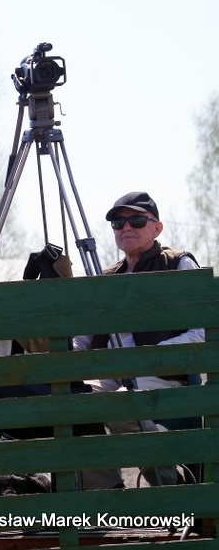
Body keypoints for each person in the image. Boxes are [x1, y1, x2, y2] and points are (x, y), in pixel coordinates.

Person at [72, 191, 203, 488]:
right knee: (76, 401)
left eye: (137, 220)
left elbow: (202, 331)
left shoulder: (178, 264)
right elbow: (83, 337)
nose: (126, 227)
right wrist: (66, 358)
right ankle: (107, 491)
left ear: (157, 228)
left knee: (121, 404)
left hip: (161, 372)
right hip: (111, 372)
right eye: (118, 223)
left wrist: (151, 356)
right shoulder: (106, 277)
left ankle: (170, 489)